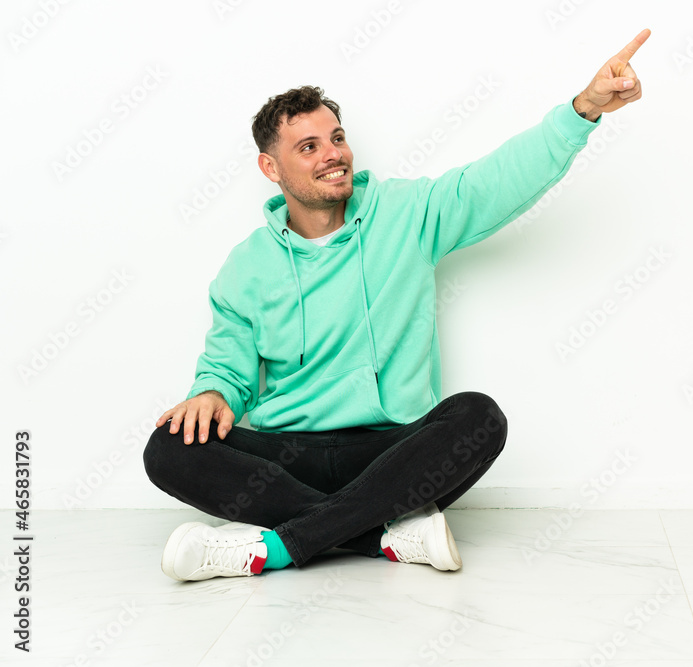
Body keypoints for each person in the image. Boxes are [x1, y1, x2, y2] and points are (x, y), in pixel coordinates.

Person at [143, 28, 650, 581]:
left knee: (478, 417)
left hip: (392, 453)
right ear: (271, 168)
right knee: (169, 447)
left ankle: (277, 547)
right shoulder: (246, 267)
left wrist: (583, 110)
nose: (333, 155)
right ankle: (380, 534)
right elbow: (227, 369)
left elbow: (494, 183)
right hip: (287, 457)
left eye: (337, 138)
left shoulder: (407, 213)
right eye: (308, 147)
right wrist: (211, 393)